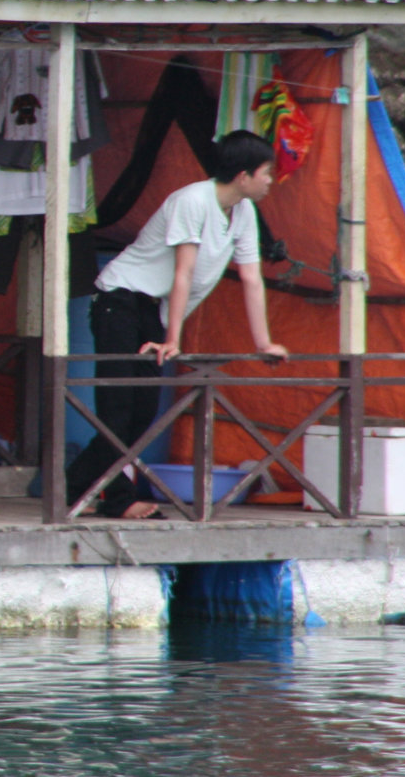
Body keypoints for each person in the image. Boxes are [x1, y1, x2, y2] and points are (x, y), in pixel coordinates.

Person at [65, 130, 287, 520]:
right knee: (118, 407)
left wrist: (264, 342)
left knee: (143, 413)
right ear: (243, 175)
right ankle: (118, 502)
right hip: (119, 299)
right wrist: (172, 340)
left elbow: (252, 279)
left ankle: (74, 483)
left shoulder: (244, 213)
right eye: (266, 173)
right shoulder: (192, 201)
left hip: (153, 308)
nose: (270, 181)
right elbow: (183, 273)